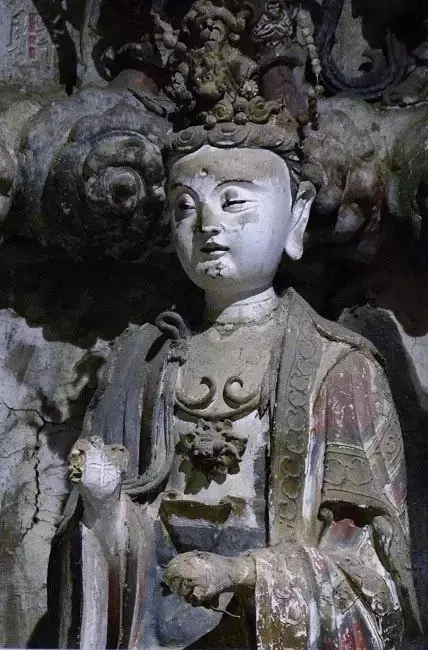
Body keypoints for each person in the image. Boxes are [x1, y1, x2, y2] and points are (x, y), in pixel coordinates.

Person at [47, 116, 420, 649]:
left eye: (234, 201)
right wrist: (106, 509)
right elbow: (97, 547)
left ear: (297, 213)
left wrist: (245, 575)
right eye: (185, 206)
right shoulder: (141, 361)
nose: (207, 224)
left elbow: (372, 574)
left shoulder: (339, 367)